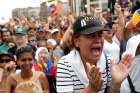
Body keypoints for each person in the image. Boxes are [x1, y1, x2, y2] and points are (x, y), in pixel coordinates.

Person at [56, 15, 133, 93]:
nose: (98, 40)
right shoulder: (65, 64)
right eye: (91, 36)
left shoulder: (108, 61)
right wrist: (91, 89)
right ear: (76, 41)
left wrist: (116, 84)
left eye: (100, 35)